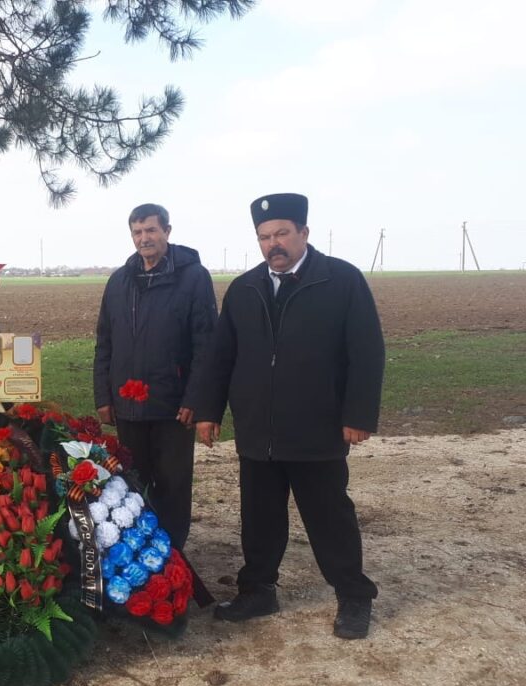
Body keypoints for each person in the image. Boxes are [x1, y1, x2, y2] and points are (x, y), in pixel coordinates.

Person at [194, 192, 385, 640]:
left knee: (329, 516)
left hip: (317, 427)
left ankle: (354, 595)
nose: (273, 243)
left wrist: (358, 414)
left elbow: (366, 353)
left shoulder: (341, 280)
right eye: (264, 237)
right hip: (258, 430)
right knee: (259, 518)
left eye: (282, 233)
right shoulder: (244, 288)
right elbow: (221, 357)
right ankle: (259, 590)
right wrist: (208, 411)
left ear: (303, 233)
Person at [93, 203, 218, 550]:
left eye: (151, 230)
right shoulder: (119, 281)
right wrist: (103, 395)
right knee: (132, 481)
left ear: (167, 231)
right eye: (137, 232)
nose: (144, 238)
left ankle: (173, 549)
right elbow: (105, 341)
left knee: (172, 483)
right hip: (128, 405)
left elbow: (206, 345)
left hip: (173, 405)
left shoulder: (193, 277)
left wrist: (196, 398)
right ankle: (136, 548)